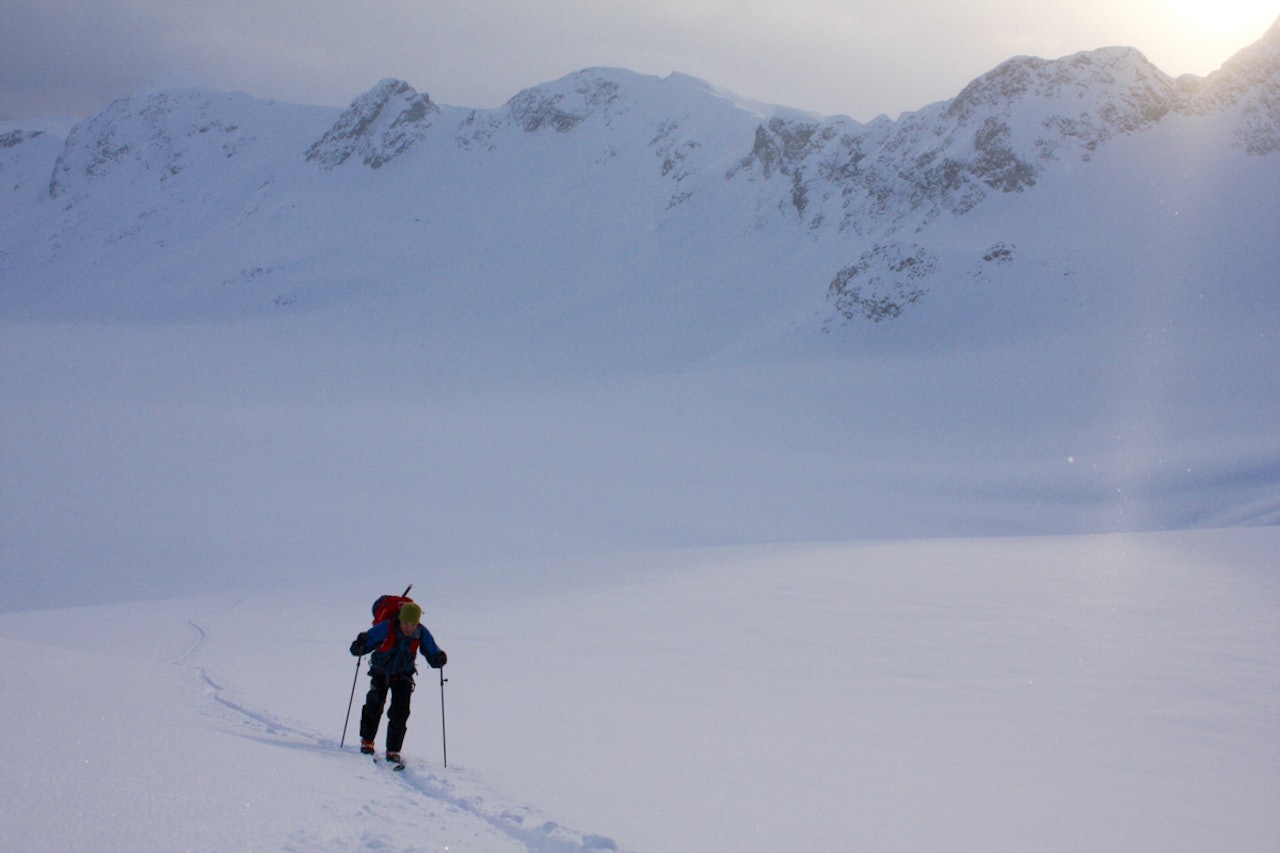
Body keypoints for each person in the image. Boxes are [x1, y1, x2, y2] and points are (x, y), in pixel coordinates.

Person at [349, 601, 447, 764]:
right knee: (374, 707)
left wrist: (439, 658)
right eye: (406, 623)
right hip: (380, 672)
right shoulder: (385, 628)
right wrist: (360, 643)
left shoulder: (421, 633)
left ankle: (393, 749)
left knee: (400, 713)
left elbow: (432, 652)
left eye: (413, 624)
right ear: (400, 619)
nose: (409, 627)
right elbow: (356, 649)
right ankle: (367, 740)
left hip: (403, 675)